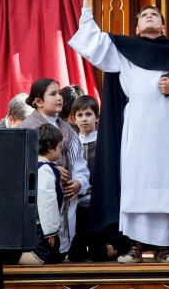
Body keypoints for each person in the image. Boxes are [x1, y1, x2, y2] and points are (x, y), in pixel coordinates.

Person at [68, 0, 169, 264]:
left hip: (165, 129)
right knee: (135, 183)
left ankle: (167, 247)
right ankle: (134, 246)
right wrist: (87, 3)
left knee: (166, 183)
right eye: (144, 15)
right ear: (136, 28)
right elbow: (92, 42)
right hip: (135, 128)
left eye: (155, 15)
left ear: (162, 27)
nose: (149, 17)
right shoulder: (124, 50)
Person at [18, 78, 90, 257]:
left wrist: (79, 183)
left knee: (61, 253)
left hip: (66, 200)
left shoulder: (69, 130)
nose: (59, 97)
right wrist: (47, 168)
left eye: (59, 93)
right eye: (53, 94)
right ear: (38, 101)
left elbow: (80, 164)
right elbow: (17, 168)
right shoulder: (25, 130)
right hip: (35, 207)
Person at [67, 95, 117, 262]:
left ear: (97, 117)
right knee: (75, 254)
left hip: (99, 202)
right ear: (73, 119)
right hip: (78, 202)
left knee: (98, 253)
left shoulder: (104, 141)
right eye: (79, 115)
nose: (84, 119)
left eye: (88, 114)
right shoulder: (71, 142)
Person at [19, 123, 67, 265]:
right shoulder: (45, 169)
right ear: (50, 147)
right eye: (59, 148)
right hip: (41, 226)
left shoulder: (32, 166)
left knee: (56, 256)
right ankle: (9, 258)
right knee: (42, 257)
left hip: (34, 225)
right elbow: (47, 201)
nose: (61, 151)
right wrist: (51, 232)